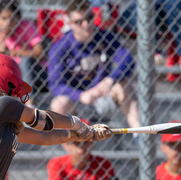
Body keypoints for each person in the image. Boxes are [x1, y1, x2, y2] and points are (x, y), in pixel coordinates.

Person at [47, 0, 140, 131]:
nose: (87, 24)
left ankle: (139, 135)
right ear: (70, 24)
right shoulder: (60, 47)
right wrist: (80, 95)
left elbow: (127, 60)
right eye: (79, 21)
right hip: (78, 102)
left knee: (124, 86)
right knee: (58, 104)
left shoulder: (104, 36)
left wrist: (109, 80)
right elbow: (55, 84)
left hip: (104, 94)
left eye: (90, 18)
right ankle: (71, 145)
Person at [0, 0, 48, 105]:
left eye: (12, 18)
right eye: (3, 18)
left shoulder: (26, 26)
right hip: (11, 75)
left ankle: (29, 103)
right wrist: (2, 35)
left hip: (35, 72)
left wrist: (17, 52)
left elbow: (40, 53)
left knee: (25, 61)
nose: (8, 22)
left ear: (19, 18)